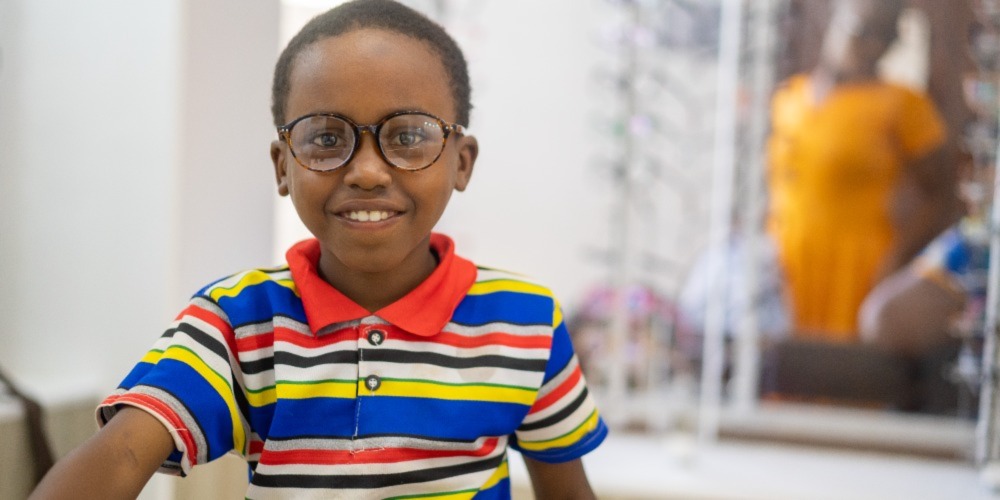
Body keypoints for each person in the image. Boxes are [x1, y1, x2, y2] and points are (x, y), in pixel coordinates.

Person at [29, 1, 607, 498]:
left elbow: (567, 493)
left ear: (462, 161)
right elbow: (124, 454)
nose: (368, 172)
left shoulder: (526, 322)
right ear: (283, 167)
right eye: (327, 138)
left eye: (407, 136)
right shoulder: (236, 318)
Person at [766, 0, 959, 341]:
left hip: (857, 265)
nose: (871, 45)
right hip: (788, 261)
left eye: (885, 38)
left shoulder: (903, 105)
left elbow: (941, 193)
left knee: (844, 373)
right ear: (834, 18)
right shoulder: (790, 98)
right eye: (861, 30)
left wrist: (898, 257)